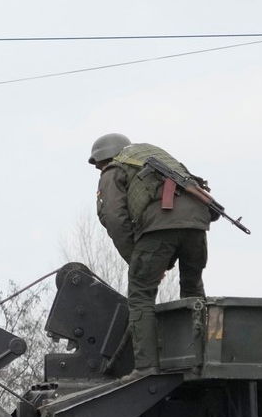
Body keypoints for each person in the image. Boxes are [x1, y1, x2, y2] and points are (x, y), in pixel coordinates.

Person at [90, 133, 217, 370]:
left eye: (98, 165)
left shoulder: (114, 170)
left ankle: (146, 368)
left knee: (140, 294)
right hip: (198, 223)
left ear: (104, 158)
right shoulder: (157, 158)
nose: (99, 170)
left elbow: (115, 218)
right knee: (192, 288)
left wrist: (134, 258)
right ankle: (199, 360)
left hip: (159, 227)